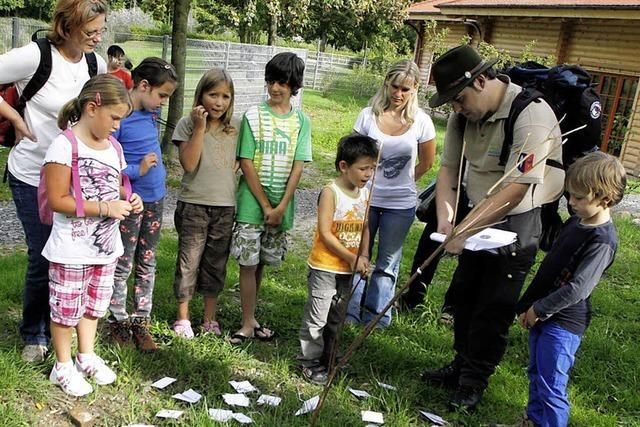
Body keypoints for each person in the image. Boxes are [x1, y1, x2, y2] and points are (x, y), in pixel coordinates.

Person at [421, 44, 564, 410]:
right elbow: (449, 171)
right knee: (465, 294)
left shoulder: (531, 115)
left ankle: (474, 381)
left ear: (481, 80)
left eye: (459, 98)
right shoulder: (461, 117)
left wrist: (465, 230)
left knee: (493, 304)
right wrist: (446, 221)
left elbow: (516, 188)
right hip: (472, 214)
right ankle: (459, 364)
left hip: (516, 221)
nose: (456, 107)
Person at [0, 0, 108, 363]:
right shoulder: (36, 56)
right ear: (66, 26)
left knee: (71, 255)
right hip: (31, 175)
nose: (97, 37)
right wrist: (15, 117)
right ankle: (35, 333)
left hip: (74, 178)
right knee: (44, 254)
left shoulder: (96, 64)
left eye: (101, 30)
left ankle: (66, 327)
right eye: (89, 31)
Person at [499, 152, 626, 427]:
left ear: (605, 199)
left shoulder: (602, 241)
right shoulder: (575, 222)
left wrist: (539, 309)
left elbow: (578, 288)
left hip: (563, 324)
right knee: (536, 373)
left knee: (552, 385)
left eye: (579, 198)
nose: (571, 202)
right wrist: (528, 305)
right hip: (542, 313)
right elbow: (552, 264)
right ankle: (532, 421)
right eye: (570, 195)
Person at [43, 74, 142, 396]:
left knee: (94, 305)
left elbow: (116, 187)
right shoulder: (64, 145)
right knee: (65, 310)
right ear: (91, 108)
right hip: (71, 248)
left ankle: (85, 356)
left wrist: (128, 198)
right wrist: (105, 208)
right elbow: (59, 200)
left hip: (104, 248)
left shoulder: (113, 147)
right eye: (114, 118)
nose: (117, 126)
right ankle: (62, 366)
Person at [346, 60, 436, 328]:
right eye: (394, 86)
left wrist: (405, 182)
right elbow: (351, 153)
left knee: (388, 261)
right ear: (386, 83)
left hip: (400, 204)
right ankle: (350, 312)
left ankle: (377, 317)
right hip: (365, 200)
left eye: (405, 89)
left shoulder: (422, 122)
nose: (398, 94)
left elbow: (428, 162)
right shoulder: (366, 116)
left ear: (415, 89)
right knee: (358, 255)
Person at [229, 52, 312, 344]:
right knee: (247, 263)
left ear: (294, 85)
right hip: (252, 204)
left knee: (261, 261)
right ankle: (247, 321)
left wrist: (281, 206)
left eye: (282, 83)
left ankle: (251, 317)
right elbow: (247, 161)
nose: (275, 88)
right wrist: (265, 205)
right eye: (271, 81)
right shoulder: (253, 115)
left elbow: (298, 166)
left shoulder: (302, 122)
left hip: (281, 206)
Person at [107, 58, 178, 351]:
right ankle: (118, 323)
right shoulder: (118, 118)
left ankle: (140, 322)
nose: (163, 103)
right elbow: (110, 166)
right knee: (123, 261)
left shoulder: (150, 113)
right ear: (144, 86)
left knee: (148, 259)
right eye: (161, 95)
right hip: (129, 202)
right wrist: (138, 171)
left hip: (156, 198)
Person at [298, 133, 377, 385]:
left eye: (372, 169)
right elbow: (324, 232)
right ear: (344, 166)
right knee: (318, 316)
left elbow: (365, 227)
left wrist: (363, 255)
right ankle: (309, 361)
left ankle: (330, 358)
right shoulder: (330, 192)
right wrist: (350, 257)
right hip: (325, 266)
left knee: (337, 316)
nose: (368, 174)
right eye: (363, 168)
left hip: (348, 269)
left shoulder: (365, 194)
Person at [171, 68, 239, 339]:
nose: (219, 102)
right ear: (201, 95)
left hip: (224, 206)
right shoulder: (187, 125)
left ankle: (209, 318)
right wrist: (200, 128)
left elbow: (241, 160)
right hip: (194, 204)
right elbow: (188, 163)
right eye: (213, 95)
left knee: (215, 263)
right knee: (189, 262)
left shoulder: (235, 129)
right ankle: (183, 318)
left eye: (225, 96)